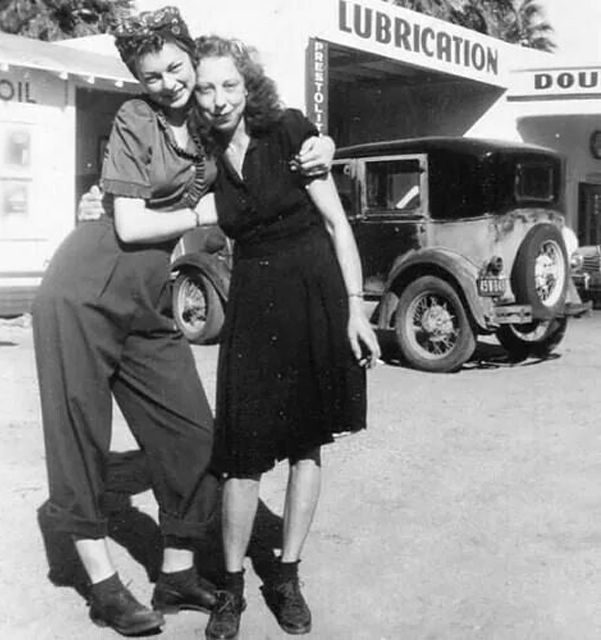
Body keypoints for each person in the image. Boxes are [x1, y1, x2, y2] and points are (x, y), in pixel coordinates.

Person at [34, 7, 335, 637]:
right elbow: (127, 224)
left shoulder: (209, 119)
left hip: (151, 297)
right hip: (83, 288)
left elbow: (275, 130)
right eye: (153, 76)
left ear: (194, 61)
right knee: (80, 434)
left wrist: (324, 144)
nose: (169, 84)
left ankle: (175, 573)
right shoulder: (135, 118)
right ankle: (103, 585)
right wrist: (207, 211)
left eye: (176, 68)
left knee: (197, 439)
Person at [187, 36, 381, 640]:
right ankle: (231, 587)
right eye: (206, 88)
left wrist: (356, 311)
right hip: (252, 302)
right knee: (241, 454)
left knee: (306, 444)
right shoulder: (202, 155)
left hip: (314, 294)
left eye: (229, 85)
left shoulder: (289, 131)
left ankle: (288, 576)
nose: (219, 99)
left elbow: (337, 224)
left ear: (248, 86)